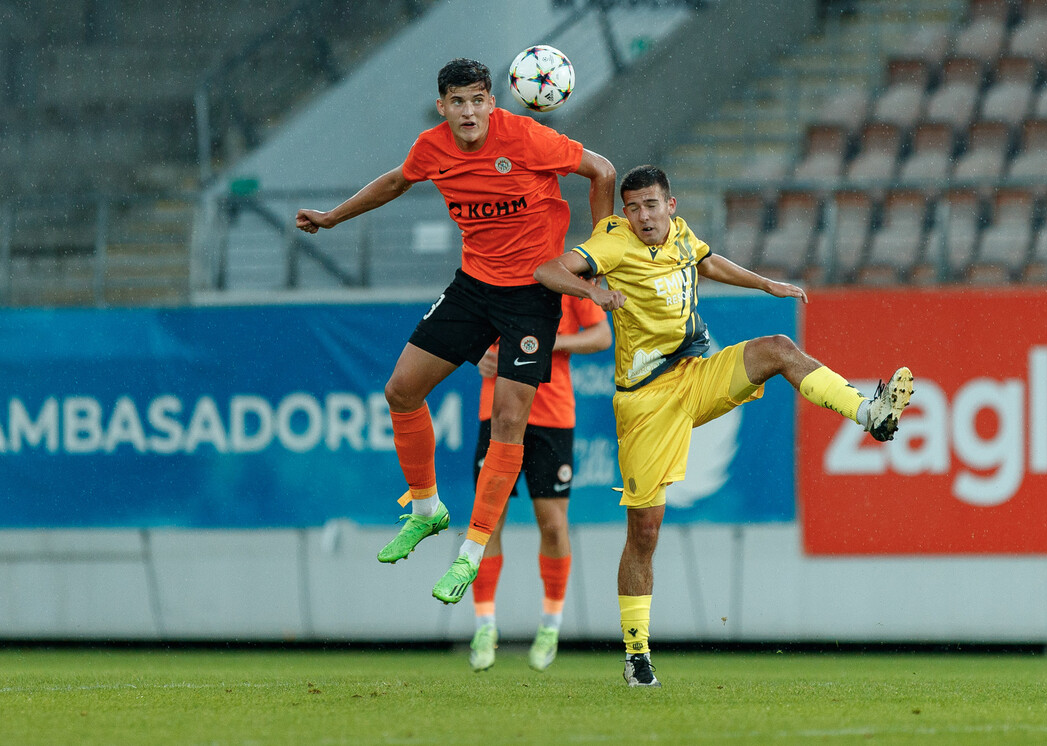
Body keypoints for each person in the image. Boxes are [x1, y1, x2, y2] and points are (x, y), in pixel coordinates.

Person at [533, 165, 913, 687]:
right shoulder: (613, 245)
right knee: (645, 529)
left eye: (651, 205)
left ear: (672, 205)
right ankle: (636, 654)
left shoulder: (683, 235)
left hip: (696, 374)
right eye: (633, 207)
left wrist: (767, 284)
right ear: (624, 212)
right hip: (645, 402)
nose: (643, 216)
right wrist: (590, 293)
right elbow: (547, 270)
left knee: (778, 348)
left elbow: (708, 262)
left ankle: (868, 414)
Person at [296, 58, 616, 605]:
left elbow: (603, 171)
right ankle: (426, 508)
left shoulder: (529, 137)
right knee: (400, 390)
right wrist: (332, 217)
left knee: (509, 421)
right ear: (442, 107)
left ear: (493, 102)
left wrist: (600, 253)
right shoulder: (432, 147)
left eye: (477, 99)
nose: (468, 111)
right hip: (474, 286)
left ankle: (471, 550)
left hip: (533, 295)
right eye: (457, 101)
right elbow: (397, 180)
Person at [468, 294, 611, 672]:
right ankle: (485, 626)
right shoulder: (495, 271)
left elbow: (600, 336)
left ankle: (550, 624)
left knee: (552, 523)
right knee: (488, 519)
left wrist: (552, 343)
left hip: (552, 415)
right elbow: (464, 328)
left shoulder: (571, 275)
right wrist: (476, 353)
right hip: (498, 412)